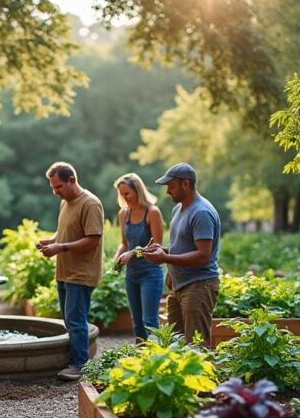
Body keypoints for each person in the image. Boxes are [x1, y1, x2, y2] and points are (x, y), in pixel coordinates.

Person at [37, 162, 104, 381]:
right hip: (65, 271)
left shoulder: (90, 203)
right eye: (53, 188)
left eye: (59, 187)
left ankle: (79, 365)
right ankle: (76, 360)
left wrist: (60, 248)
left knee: (76, 320)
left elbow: (93, 240)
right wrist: (52, 241)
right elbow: (65, 231)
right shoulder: (66, 203)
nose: (55, 192)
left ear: (72, 180)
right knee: (70, 319)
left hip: (81, 273)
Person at [142, 162, 221, 346]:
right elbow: (182, 248)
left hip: (198, 287)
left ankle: (205, 376)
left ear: (186, 184)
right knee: (176, 344)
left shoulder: (201, 212)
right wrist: (161, 251)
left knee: (197, 347)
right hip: (178, 287)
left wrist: (164, 258)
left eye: (171, 186)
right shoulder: (178, 209)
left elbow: (203, 255)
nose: (168, 191)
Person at [112, 173, 165, 341]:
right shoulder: (123, 214)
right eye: (121, 194)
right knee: (136, 323)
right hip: (132, 275)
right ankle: (140, 361)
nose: (124, 197)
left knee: (149, 321)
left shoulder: (152, 212)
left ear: (138, 190)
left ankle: (156, 359)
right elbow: (124, 243)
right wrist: (117, 257)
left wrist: (133, 253)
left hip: (150, 274)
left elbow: (156, 248)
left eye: (127, 193)